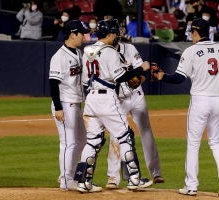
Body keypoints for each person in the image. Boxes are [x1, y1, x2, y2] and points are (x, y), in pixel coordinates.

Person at [153, 18, 219, 197]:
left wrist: (161, 76)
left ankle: (191, 186)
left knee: (194, 143)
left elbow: (179, 78)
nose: (191, 35)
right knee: (215, 141)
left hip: (200, 100)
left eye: (191, 32)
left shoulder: (191, 51)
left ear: (196, 32)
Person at [74, 19, 150, 193]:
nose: (116, 36)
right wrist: (141, 69)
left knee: (92, 141)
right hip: (107, 98)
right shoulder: (110, 52)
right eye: (115, 33)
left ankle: (83, 181)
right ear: (109, 34)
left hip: (91, 99)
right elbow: (120, 77)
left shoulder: (87, 50)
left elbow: (85, 80)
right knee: (125, 136)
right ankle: (134, 179)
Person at [105, 41, 164, 189]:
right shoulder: (105, 53)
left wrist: (140, 79)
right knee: (115, 135)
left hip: (137, 96)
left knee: (146, 132)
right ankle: (113, 177)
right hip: (118, 99)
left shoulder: (129, 48)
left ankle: (156, 172)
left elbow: (141, 70)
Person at [49, 20, 90, 191]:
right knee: (68, 142)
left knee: (81, 140)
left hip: (76, 103)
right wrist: (58, 108)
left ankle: (68, 175)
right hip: (65, 104)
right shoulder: (60, 56)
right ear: (72, 34)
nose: (84, 36)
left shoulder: (80, 54)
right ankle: (66, 180)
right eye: (82, 33)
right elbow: (53, 83)